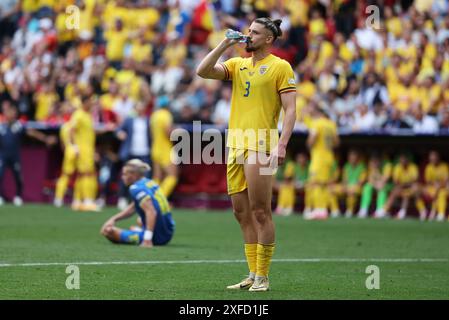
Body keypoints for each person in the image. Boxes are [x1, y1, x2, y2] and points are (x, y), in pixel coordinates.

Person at [196, 17, 297, 291]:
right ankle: (252, 273)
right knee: (241, 213)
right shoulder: (238, 64)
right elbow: (202, 71)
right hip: (236, 145)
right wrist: (223, 44)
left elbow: (290, 109)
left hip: (261, 144)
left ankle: (263, 276)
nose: (248, 35)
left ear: (268, 39)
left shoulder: (280, 67)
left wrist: (283, 143)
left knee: (261, 211)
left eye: (254, 32)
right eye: (248, 30)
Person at [100, 159, 175, 247]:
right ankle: (140, 231)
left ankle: (143, 235)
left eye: (124, 174)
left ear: (133, 175)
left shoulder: (136, 188)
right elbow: (133, 207)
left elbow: (151, 212)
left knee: (108, 232)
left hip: (157, 238)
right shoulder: (149, 182)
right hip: (168, 231)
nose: (122, 177)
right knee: (140, 219)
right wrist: (113, 219)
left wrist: (147, 239)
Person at [0, 100, 55, 206]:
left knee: (18, 177)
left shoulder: (19, 126)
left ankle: (18, 196)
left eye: (12, 111)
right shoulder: (2, 126)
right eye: (8, 111)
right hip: (2, 155)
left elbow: (31, 132)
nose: (10, 114)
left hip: (14, 155)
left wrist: (45, 138)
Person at [305, 105, 339, 220]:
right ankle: (323, 210)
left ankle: (318, 210)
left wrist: (310, 145)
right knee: (324, 184)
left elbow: (312, 138)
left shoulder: (317, 123)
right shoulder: (331, 124)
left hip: (319, 158)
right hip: (329, 157)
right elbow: (336, 142)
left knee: (315, 183)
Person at [116, 102, 152, 209]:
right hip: (131, 152)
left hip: (144, 152)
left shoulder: (148, 121)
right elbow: (119, 129)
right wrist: (120, 133)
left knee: (145, 177)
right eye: (138, 107)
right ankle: (122, 198)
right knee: (127, 176)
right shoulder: (129, 120)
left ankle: (143, 199)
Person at [67, 95, 98, 211]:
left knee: (82, 174)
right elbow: (71, 130)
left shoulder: (88, 115)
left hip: (88, 149)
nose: (92, 104)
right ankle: (88, 200)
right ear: (85, 102)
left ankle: (77, 200)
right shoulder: (78, 115)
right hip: (82, 150)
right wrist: (73, 146)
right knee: (87, 174)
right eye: (90, 102)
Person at [384, 153, 421, 220]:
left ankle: (420, 211)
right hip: (401, 188)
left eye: (404, 159)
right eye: (401, 160)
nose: (403, 161)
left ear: (407, 160)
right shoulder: (398, 167)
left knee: (413, 189)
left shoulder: (413, 167)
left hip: (411, 189)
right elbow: (396, 182)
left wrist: (404, 184)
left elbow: (415, 181)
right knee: (395, 190)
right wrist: (404, 184)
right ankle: (384, 211)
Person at [357, 154, 393, 218]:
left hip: (389, 185)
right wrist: (376, 184)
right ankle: (363, 209)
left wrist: (377, 176)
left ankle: (380, 210)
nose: (374, 164)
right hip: (377, 185)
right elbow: (370, 180)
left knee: (382, 188)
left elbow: (385, 179)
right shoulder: (371, 166)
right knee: (367, 187)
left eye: (376, 162)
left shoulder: (387, 165)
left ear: (380, 161)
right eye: (372, 162)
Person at [416, 151, 448, 222]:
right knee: (417, 191)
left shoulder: (444, 166)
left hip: (442, 188)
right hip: (432, 188)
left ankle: (441, 214)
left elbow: (446, 180)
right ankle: (423, 212)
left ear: (438, 158)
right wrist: (435, 184)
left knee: (441, 193)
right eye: (431, 159)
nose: (433, 160)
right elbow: (428, 181)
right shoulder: (429, 167)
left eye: (434, 159)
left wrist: (439, 185)